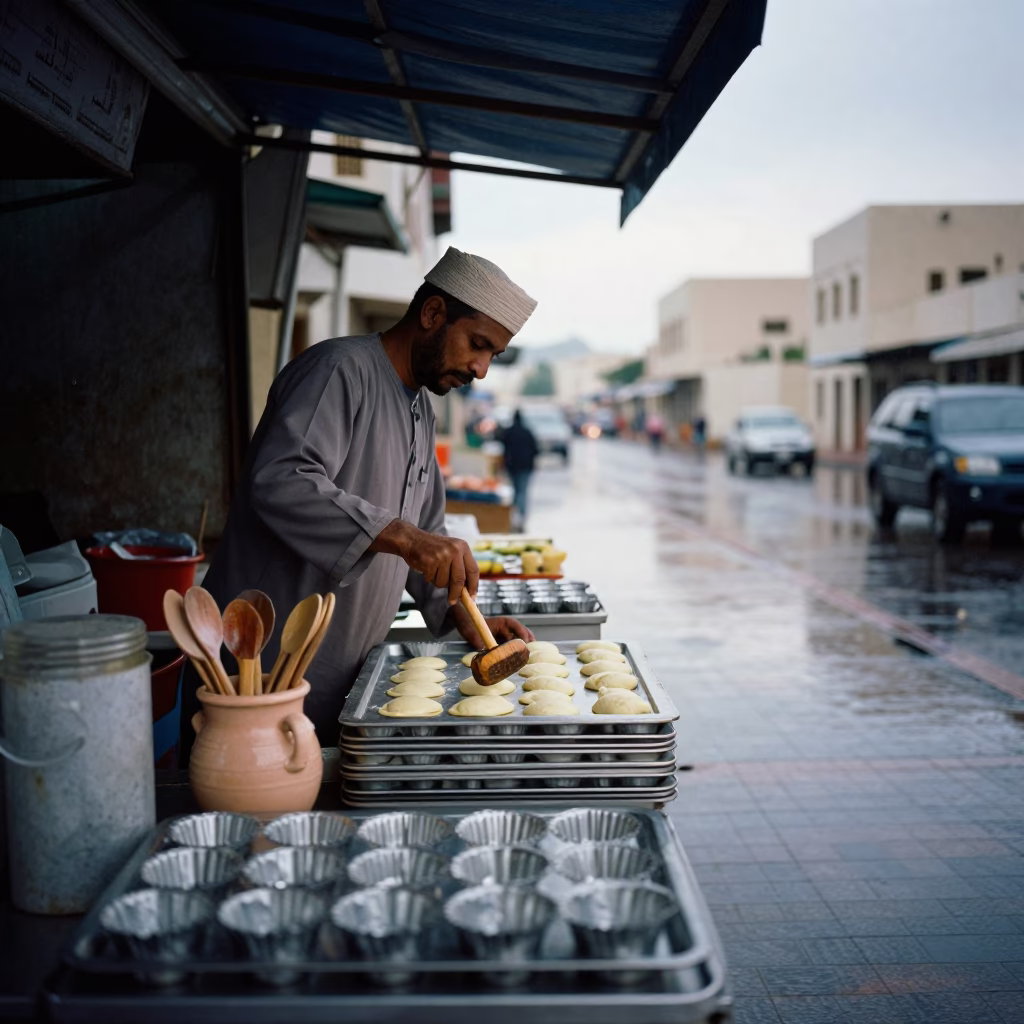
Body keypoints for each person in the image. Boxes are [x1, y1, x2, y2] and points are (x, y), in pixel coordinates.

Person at [191, 247, 538, 747]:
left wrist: (469, 620)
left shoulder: (422, 410)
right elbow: (280, 477)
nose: (481, 369)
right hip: (258, 672)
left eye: (493, 356)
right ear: (433, 313)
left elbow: (429, 537)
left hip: (341, 677)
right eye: (478, 344)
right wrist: (399, 535)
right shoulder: (338, 370)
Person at [502, 410, 539, 529]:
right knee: (523, 491)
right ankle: (521, 516)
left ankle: (514, 516)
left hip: (512, 466)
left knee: (515, 490)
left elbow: (503, 447)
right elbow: (535, 449)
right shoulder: (527, 432)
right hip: (525, 466)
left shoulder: (508, 432)